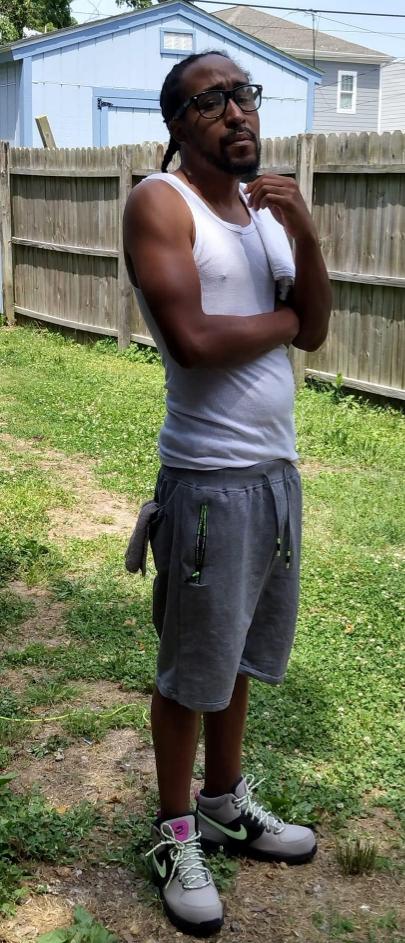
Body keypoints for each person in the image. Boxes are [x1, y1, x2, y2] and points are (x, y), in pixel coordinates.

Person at [123, 50, 332, 938]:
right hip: (207, 483)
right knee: (189, 672)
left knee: (238, 655)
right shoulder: (159, 202)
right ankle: (175, 833)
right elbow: (194, 340)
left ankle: (221, 802)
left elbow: (314, 329)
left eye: (243, 94)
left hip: (273, 476)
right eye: (211, 101)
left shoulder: (264, 211)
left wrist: (305, 234)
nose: (237, 111)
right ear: (178, 124)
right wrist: (284, 319)